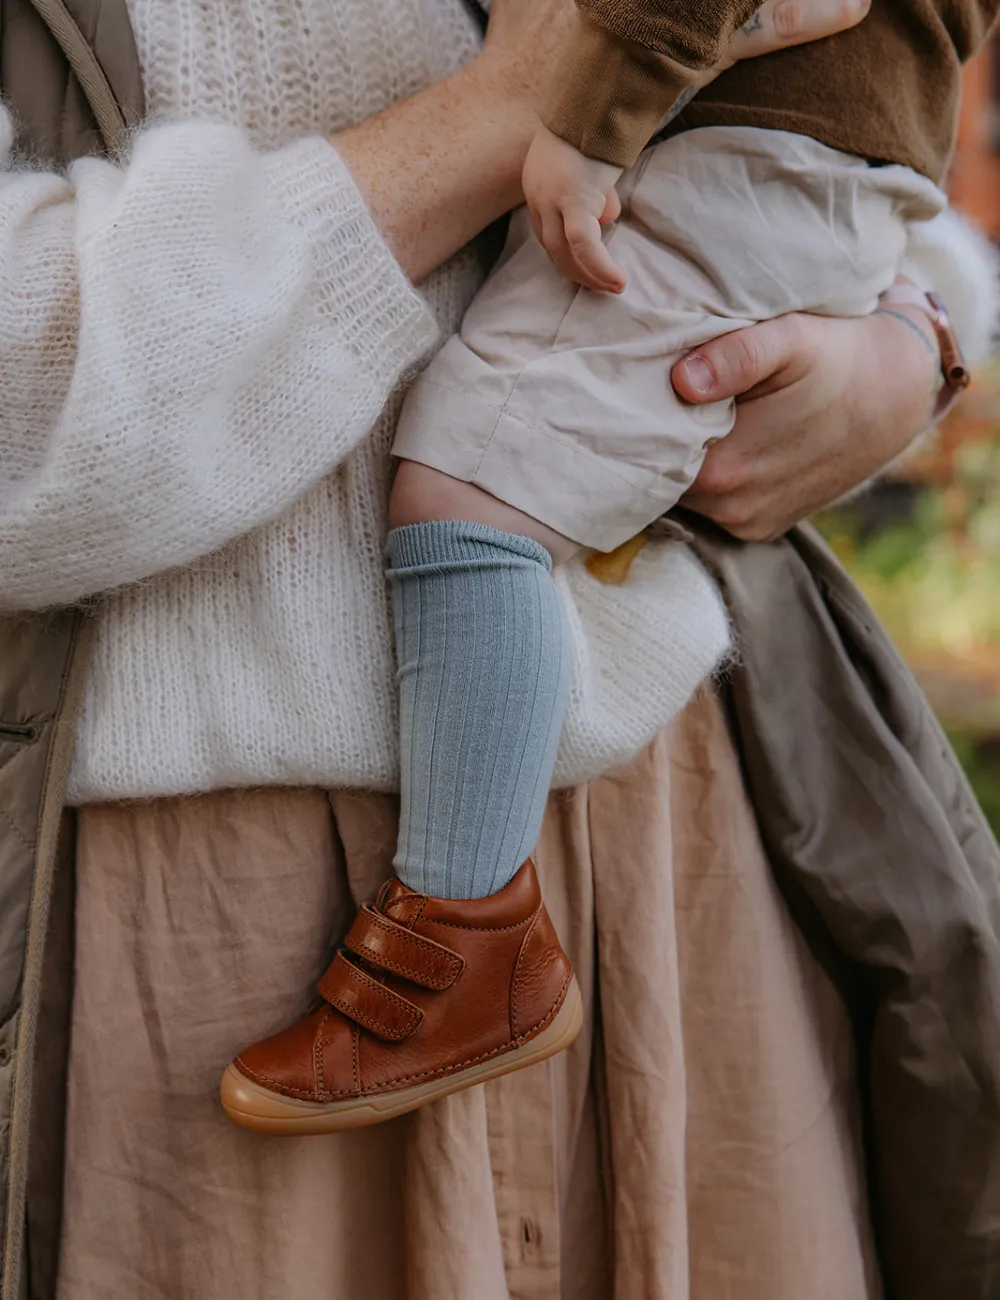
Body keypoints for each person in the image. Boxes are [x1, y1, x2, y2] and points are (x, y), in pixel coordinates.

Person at [0, 0, 997, 1296]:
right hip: (198, 926)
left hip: (678, 865)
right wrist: (509, 107)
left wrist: (909, 350)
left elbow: (844, 149)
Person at [219, 0, 989, 1134]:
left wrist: (593, 117)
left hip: (736, 144)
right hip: (788, 153)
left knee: (471, 493)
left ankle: (464, 934)